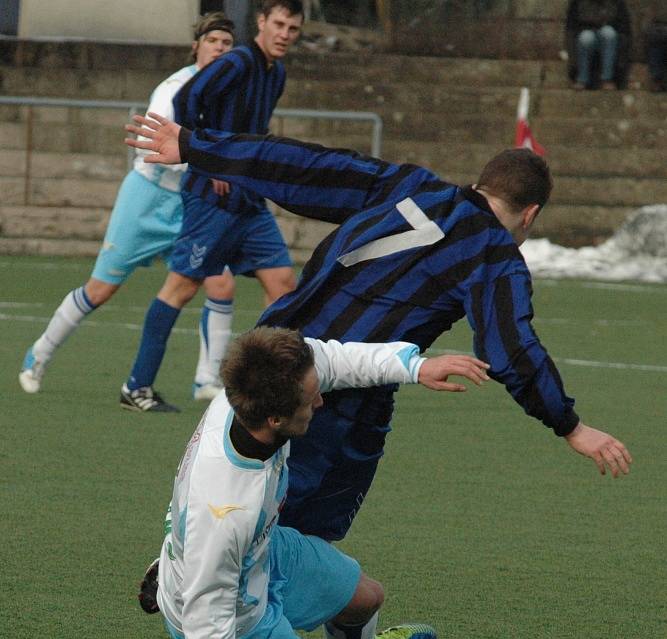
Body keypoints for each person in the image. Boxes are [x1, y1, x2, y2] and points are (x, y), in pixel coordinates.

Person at [124, 115, 633, 546]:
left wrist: (195, 145)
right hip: (337, 399)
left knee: (236, 494)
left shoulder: (408, 185)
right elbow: (512, 351)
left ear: (481, 183)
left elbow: (307, 166)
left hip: (267, 354)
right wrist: (570, 426)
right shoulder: (495, 256)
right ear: (531, 214)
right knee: (296, 540)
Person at [98, 327, 492, 639]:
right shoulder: (229, 510)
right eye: (310, 400)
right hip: (235, 618)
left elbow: (329, 360)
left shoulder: (247, 393)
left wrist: (414, 366)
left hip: (261, 555)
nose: (320, 401)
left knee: (366, 598)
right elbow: (208, 620)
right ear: (274, 419)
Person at [18, 13, 236, 402]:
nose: (220, 48)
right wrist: (213, 162)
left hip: (191, 201)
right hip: (149, 197)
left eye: (227, 43)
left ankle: (208, 381)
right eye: (213, 40)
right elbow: (159, 146)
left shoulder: (231, 92)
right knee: (100, 289)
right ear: (196, 46)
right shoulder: (174, 90)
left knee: (220, 281)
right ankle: (39, 354)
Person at [119, 0, 304, 413]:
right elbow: (188, 98)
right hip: (211, 198)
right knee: (181, 288)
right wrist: (206, 155)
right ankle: (137, 387)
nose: (284, 34)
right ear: (261, 23)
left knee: (283, 285)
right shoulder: (238, 62)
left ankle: (272, 390)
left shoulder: (277, 73)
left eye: (292, 28)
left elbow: (253, 128)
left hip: (248, 198)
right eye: (278, 24)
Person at [565, 0, 632, 91]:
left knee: (608, 33)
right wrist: (573, 63)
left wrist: (621, 63)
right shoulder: (577, 3)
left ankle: (607, 79)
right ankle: (582, 79)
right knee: (586, 37)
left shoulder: (616, 3)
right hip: (586, 37)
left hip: (609, 39)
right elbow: (571, 31)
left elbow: (624, 30)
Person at [644, 2, 667, 92]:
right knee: (655, 38)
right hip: (659, 33)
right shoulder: (654, 6)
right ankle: (657, 80)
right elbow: (646, 26)